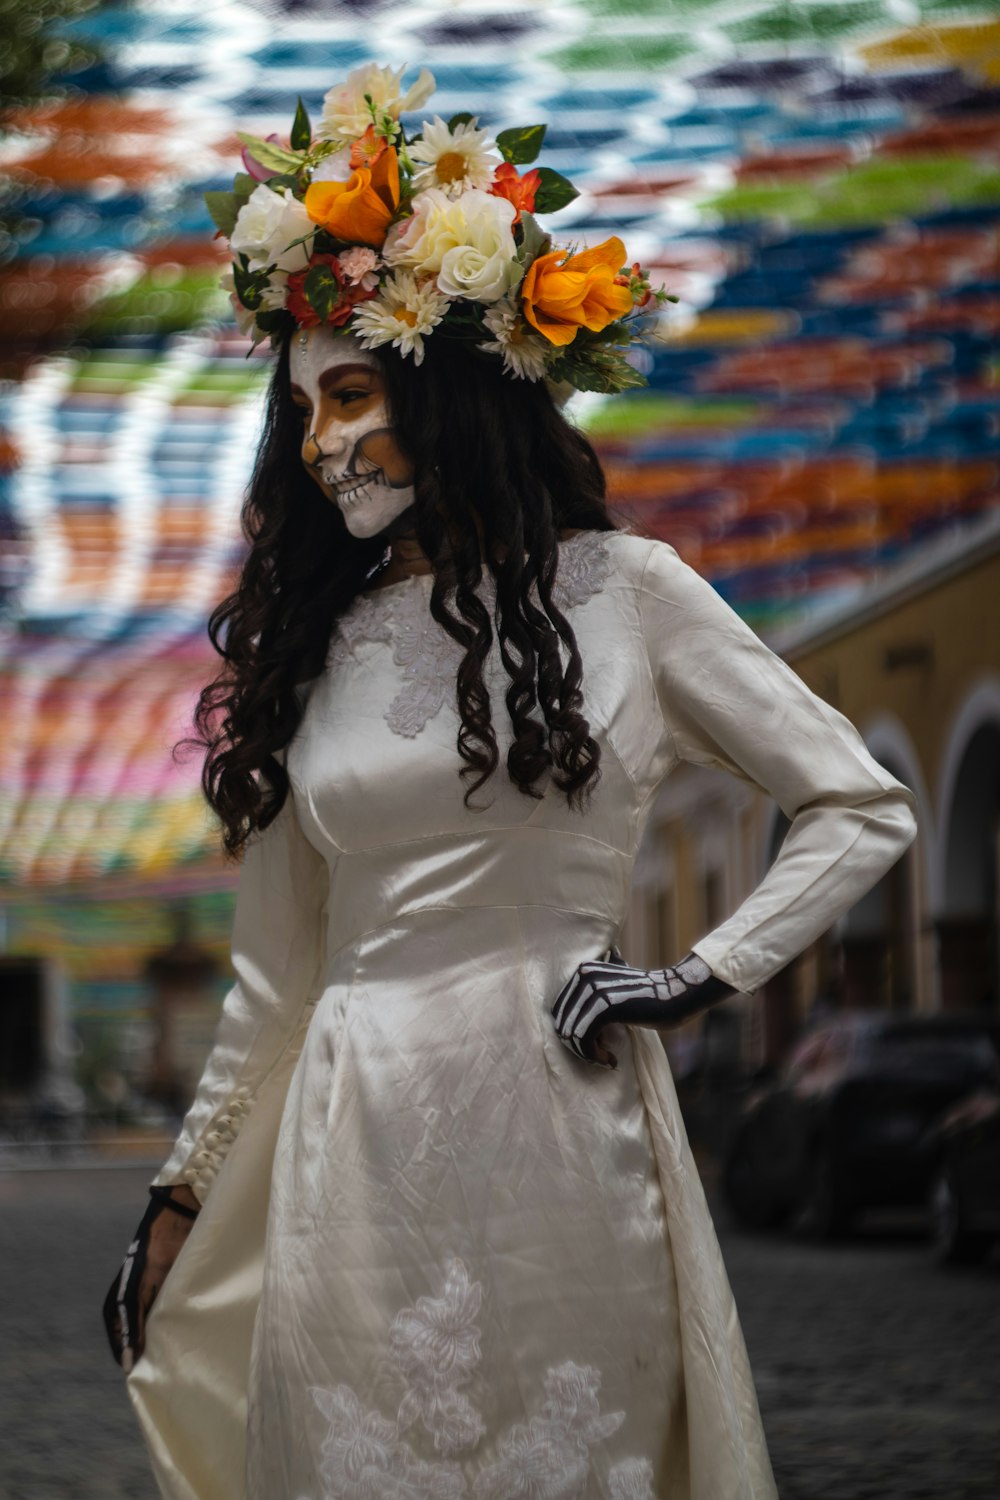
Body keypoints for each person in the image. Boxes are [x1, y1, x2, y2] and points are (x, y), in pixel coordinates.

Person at [103, 66, 918, 1500]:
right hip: (348, 1160)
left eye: (349, 393)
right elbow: (273, 982)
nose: (320, 443)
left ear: (452, 382)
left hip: (564, 1126)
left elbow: (862, 804)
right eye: (302, 411)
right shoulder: (322, 645)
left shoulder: (634, 594)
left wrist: (699, 975)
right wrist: (177, 1197)